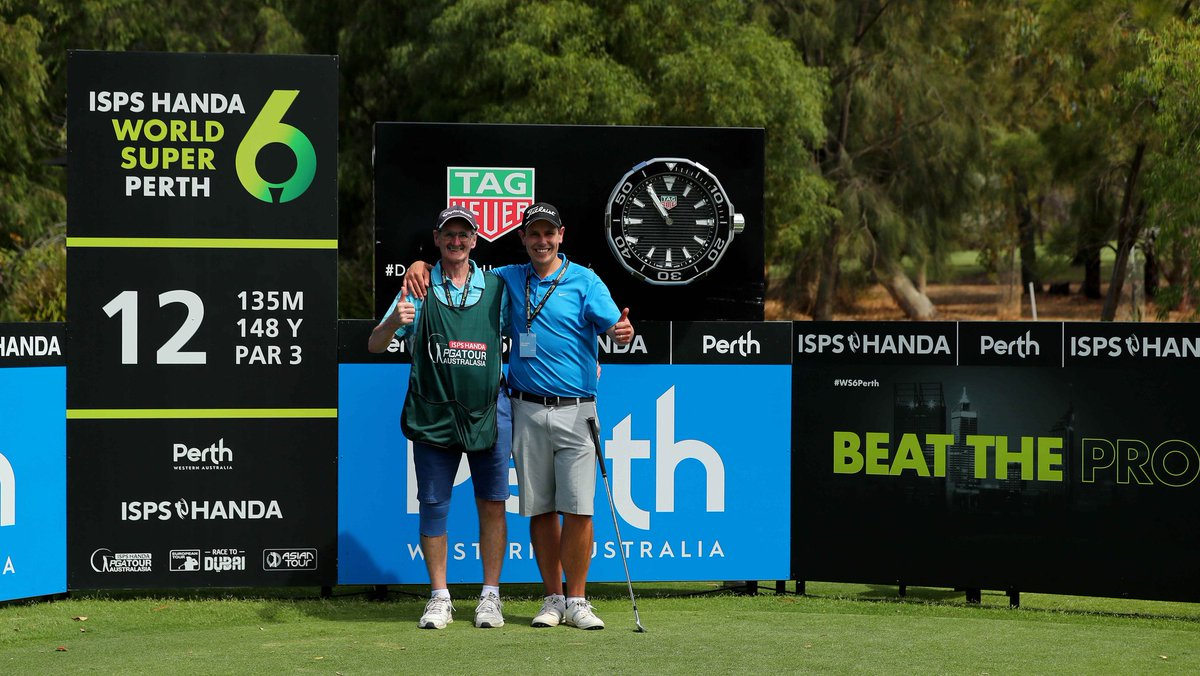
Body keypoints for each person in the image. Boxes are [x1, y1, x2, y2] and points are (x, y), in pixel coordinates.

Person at [407, 202, 634, 631]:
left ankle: (578, 600)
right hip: (524, 407)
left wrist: (622, 332)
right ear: (523, 239)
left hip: (576, 409)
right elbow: (455, 267)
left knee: (580, 509)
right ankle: (552, 599)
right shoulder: (506, 279)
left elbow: (615, 328)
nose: (542, 241)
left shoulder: (585, 280)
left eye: (549, 233)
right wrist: (419, 263)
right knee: (541, 510)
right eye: (534, 234)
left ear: (561, 235)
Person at [368, 205, 511, 630]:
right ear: (437, 238)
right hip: (433, 413)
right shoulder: (419, 284)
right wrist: (396, 318)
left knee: (493, 504)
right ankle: (439, 596)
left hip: (488, 413)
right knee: (433, 506)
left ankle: (490, 597)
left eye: (464, 234)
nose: (456, 241)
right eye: (449, 234)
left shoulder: (499, 286)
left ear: (475, 238)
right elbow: (376, 344)